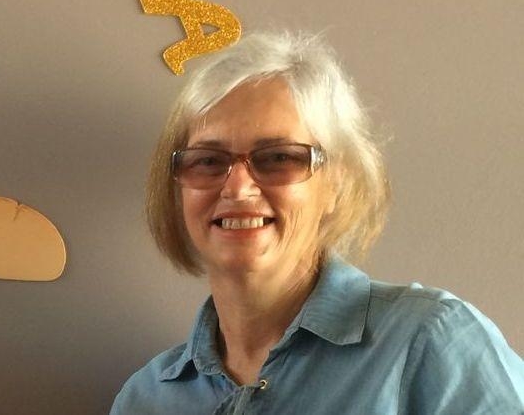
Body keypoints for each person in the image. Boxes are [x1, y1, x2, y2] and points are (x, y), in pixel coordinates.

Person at [110, 31, 524, 414]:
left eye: (279, 157)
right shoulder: (146, 398)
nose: (237, 187)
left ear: (337, 184)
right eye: (207, 161)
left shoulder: (429, 342)